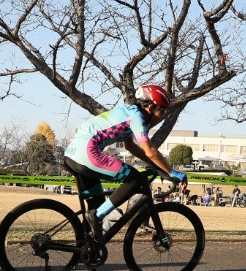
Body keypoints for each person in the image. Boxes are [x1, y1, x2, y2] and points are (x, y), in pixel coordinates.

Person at [62, 85, 186, 238]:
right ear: (151, 107)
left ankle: (84, 246)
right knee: (135, 179)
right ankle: (97, 215)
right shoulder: (137, 118)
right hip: (86, 153)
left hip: (72, 154)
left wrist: (158, 165)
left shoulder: (128, 111)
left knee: (97, 204)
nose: (162, 117)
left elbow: (131, 147)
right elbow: (150, 151)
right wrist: (172, 172)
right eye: (162, 111)